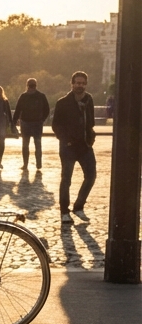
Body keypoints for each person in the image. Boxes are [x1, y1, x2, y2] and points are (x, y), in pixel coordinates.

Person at [52, 71, 97, 224]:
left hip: (85, 146)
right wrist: (66, 141)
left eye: (83, 83)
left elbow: (91, 121)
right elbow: (56, 125)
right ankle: (64, 211)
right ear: (72, 84)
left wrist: (90, 137)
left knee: (91, 176)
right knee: (66, 180)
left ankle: (79, 206)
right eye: (77, 83)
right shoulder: (62, 102)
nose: (80, 86)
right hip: (68, 147)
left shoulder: (89, 99)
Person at [12, 78, 50, 171]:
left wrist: (13, 123)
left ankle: (25, 165)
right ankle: (38, 164)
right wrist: (42, 119)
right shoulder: (41, 96)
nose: (31, 87)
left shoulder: (23, 96)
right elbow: (47, 110)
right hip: (36, 123)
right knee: (37, 144)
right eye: (31, 86)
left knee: (25, 145)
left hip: (26, 123)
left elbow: (17, 110)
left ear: (27, 85)